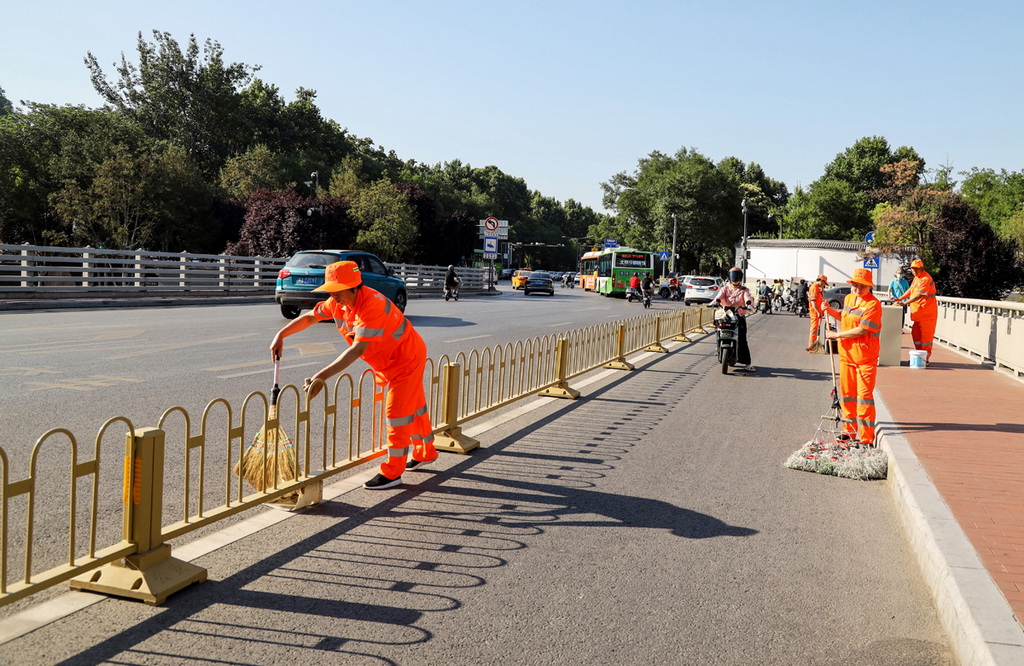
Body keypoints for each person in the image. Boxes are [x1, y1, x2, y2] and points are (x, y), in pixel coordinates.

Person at [270, 261, 438, 490]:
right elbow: (310, 317)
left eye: (337, 292)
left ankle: (393, 472)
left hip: (406, 359)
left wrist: (321, 376)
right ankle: (426, 451)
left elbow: (357, 349)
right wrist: (281, 335)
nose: (333, 297)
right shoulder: (337, 302)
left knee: (396, 414)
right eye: (330, 291)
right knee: (414, 407)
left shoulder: (372, 307)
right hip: (391, 359)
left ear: (354, 287)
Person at [822, 268, 882, 447]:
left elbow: (862, 329)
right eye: (855, 285)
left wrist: (836, 335)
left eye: (861, 286)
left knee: (864, 398)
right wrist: (830, 311)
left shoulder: (873, 305)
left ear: (869, 287)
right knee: (848, 397)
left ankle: (866, 439)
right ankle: (849, 432)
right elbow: (844, 316)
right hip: (847, 356)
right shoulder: (849, 298)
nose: (857, 289)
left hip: (865, 357)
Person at [710, 267, 755, 372]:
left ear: (741, 278)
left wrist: (749, 305)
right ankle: (719, 347)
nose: (735, 279)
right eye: (733, 276)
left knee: (742, 339)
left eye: (737, 276)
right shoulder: (725, 289)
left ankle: (747, 363)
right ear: (729, 277)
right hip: (725, 315)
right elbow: (718, 297)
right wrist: (714, 303)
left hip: (738, 316)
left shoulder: (744, 290)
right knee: (718, 329)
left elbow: (748, 299)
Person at [893, 258, 938, 361]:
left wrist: (905, 303)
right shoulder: (917, 278)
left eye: (916, 269)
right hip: (918, 313)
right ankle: (919, 356)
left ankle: (925, 359)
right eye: (912, 269)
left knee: (926, 338)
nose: (914, 271)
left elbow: (919, 295)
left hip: (927, 314)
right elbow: (911, 290)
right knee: (916, 335)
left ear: (922, 268)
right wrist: (900, 298)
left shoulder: (926, 279)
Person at [807, 274, 828, 351]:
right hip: (815, 312)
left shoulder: (818, 288)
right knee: (814, 330)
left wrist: (822, 289)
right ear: (821, 281)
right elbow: (813, 303)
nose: (824, 285)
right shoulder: (814, 288)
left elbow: (819, 300)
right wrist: (818, 312)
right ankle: (812, 346)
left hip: (818, 312)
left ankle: (814, 345)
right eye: (824, 283)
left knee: (816, 330)